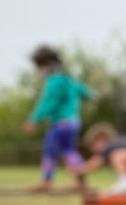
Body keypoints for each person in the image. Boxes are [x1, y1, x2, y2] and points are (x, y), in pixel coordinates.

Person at [22, 45, 95, 192]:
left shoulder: (54, 81)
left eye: (39, 65)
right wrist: (92, 97)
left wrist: (33, 120)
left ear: (48, 63)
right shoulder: (68, 80)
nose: (38, 69)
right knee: (69, 151)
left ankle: (46, 182)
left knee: (50, 150)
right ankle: (81, 182)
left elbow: (48, 102)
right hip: (73, 121)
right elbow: (88, 92)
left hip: (61, 122)